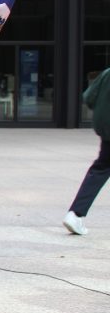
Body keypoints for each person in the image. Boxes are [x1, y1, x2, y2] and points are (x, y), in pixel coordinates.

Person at [63, 67, 110, 235]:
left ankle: (76, 213)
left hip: (106, 130)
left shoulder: (107, 73)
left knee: (100, 169)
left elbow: (89, 97)